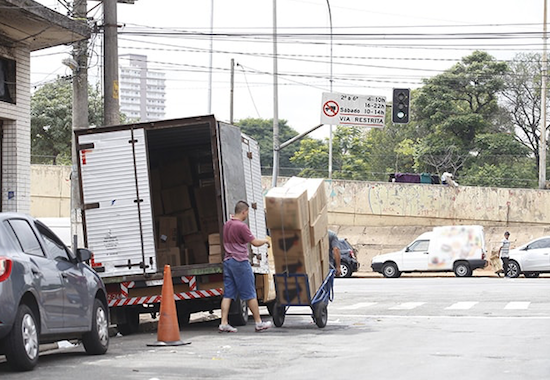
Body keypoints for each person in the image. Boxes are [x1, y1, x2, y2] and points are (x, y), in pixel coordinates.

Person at [219, 200, 272, 333]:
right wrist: (266, 241)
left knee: (228, 294)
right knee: (250, 293)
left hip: (228, 261)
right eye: (247, 212)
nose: (247, 214)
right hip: (240, 262)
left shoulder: (227, 225)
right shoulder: (241, 226)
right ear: (243, 212)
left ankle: (224, 323)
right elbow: (254, 242)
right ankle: (259, 322)